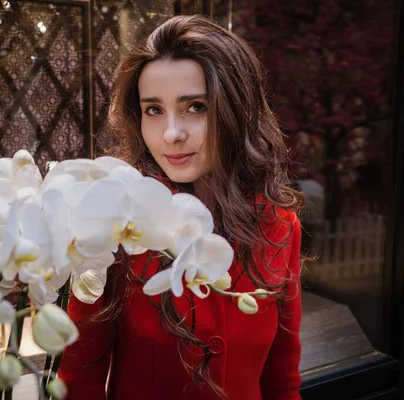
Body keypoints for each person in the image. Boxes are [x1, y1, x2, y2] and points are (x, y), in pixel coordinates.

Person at [58, 15, 304, 400]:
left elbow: (283, 378)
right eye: (153, 110)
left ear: (237, 110)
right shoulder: (117, 227)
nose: (171, 134)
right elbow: (79, 380)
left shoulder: (280, 226)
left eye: (196, 106)